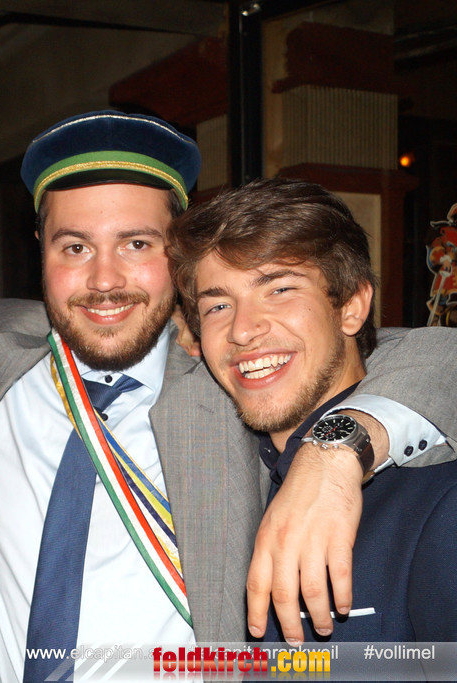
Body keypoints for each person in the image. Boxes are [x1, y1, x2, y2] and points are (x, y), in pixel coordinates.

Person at [0, 110, 457, 680]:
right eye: (75, 246)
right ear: (40, 250)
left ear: (176, 254)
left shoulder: (228, 371)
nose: (104, 279)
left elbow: (415, 354)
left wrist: (335, 449)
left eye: (136, 243)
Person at [168, 177, 457, 642]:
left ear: (352, 306)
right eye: (218, 305)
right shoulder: (227, 482)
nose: (242, 330)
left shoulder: (439, 503)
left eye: (279, 289)